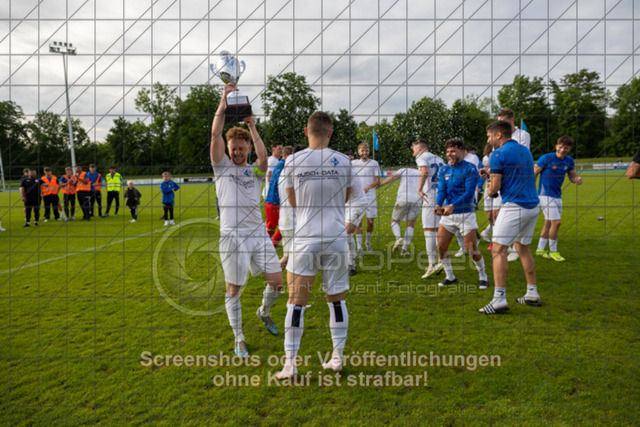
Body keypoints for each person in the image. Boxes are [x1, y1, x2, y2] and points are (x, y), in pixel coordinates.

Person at [277, 111, 352, 379]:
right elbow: (346, 197)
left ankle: (290, 364)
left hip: (306, 238)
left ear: (306, 132)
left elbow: (292, 201)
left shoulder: (292, 160)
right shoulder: (344, 160)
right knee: (336, 300)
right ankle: (337, 357)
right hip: (336, 238)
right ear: (330, 133)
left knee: (296, 303)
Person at [211, 83, 284, 358]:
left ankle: (263, 311)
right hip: (232, 236)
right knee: (234, 289)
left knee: (277, 282)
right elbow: (215, 133)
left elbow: (264, 159)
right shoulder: (221, 166)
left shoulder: (254, 171)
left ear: (248, 148)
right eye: (234, 148)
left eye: (242, 148)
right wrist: (223, 100)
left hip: (257, 234)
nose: (238, 152)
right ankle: (239, 337)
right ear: (228, 148)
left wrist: (252, 125)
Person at [479, 120, 540, 314]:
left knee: (498, 250)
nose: (488, 140)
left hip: (514, 206)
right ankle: (532, 292)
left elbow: (495, 188)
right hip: (532, 206)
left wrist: (489, 187)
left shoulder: (497, 154)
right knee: (523, 248)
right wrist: (491, 176)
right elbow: (514, 175)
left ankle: (499, 299)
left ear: (498, 135)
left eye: (489, 136)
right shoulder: (525, 151)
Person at [433, 138, 489, 290]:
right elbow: (442, 190)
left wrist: (452, 205)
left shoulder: (470, 169)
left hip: (466, 214)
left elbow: (469, 193)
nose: (449, 154)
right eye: (447, 151)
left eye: (453, 151)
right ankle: (450, 276)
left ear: (462, 151)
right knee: (441, 248)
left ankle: (483, 276)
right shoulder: (444, 169)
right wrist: (438, 205)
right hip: (448, 215)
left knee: (472, 250)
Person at [534, 136, 583, 261]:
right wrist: (530, 190)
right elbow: (534, 173)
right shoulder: (546, 158)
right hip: (544, 195)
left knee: (548, 222)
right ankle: (553, 252)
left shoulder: (569, 160)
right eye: (560, 147)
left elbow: (572, 177)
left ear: (569, 149)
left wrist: (576, 179)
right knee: (557, 222)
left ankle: (540, 249)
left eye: (565, 148)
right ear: (556, 146)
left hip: (557, 196)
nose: (562, 150)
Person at [497, 108, 532, 262]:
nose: (500, 125)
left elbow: (518, 156)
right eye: (498, 122)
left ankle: (515, 247)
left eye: (503, 122)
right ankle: (509, 244)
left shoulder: (523, 135)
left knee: (516, 213)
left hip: (516, 179)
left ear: (512, 120)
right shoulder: (498, 136)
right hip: (502, 178)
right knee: (498, 213)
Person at [413, 139, 445, 278]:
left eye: (414, 150)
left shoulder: (422, 157)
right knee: (438, 229)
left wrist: (419, 189)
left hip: (429, 196)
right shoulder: (439, 158)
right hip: (441, 195)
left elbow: (424, 171)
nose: (413, 154)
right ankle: (441, 260)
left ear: (419, 148)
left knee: (429, 230)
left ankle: (432, 264)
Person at [378, 167, 422, 256]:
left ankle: (398, 238)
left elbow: (393, 177)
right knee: (410, 224)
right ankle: (404, 250)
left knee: (394, 221)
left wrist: (381, 184)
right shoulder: (421, 173)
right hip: (417, 199)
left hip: (403, 198)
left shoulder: (403, 170)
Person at [352, 142, 381, 253]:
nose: (364, 152)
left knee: (370, 222)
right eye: (362, 150)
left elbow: (377, 180)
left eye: (366, 150)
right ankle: (359, 247)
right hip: (357, 196)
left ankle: (367, 242)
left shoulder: (374, 163)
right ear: (358, 151)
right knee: (358, 221)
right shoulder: (353, 163)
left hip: (370, 195)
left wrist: (368, 187)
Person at [344, 152, 368, 276]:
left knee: (346, 232)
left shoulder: (348, 173)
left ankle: (351, 265)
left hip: (357, 204)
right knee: (342, 234)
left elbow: (345, 196)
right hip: (348, 204)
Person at [276, 146, 297, 269]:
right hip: (291, 219)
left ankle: (274, 271)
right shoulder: (290, 173)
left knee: (288, 254)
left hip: (285, 218)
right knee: (292, 256)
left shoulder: (284, 172)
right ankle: (272, 272)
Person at [479, 144, 501, 249]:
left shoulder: (500, 155)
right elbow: (487, 170)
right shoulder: (487, 158)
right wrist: (485, 174)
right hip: (488, 186)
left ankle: (495, 241)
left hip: (497, 188)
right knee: (490, 216)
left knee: (496, 215)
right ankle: (487, 232)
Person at [265, 147, 285, 248]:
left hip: (274, 197)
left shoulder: (278, 162)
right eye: (279, 148)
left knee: (284, 224)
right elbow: (269, 176)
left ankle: (271, 243)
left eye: (281, 148)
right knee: (271, 226)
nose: (280, 150)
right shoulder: (275, 162)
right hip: (274, 199)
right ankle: (268, 244)